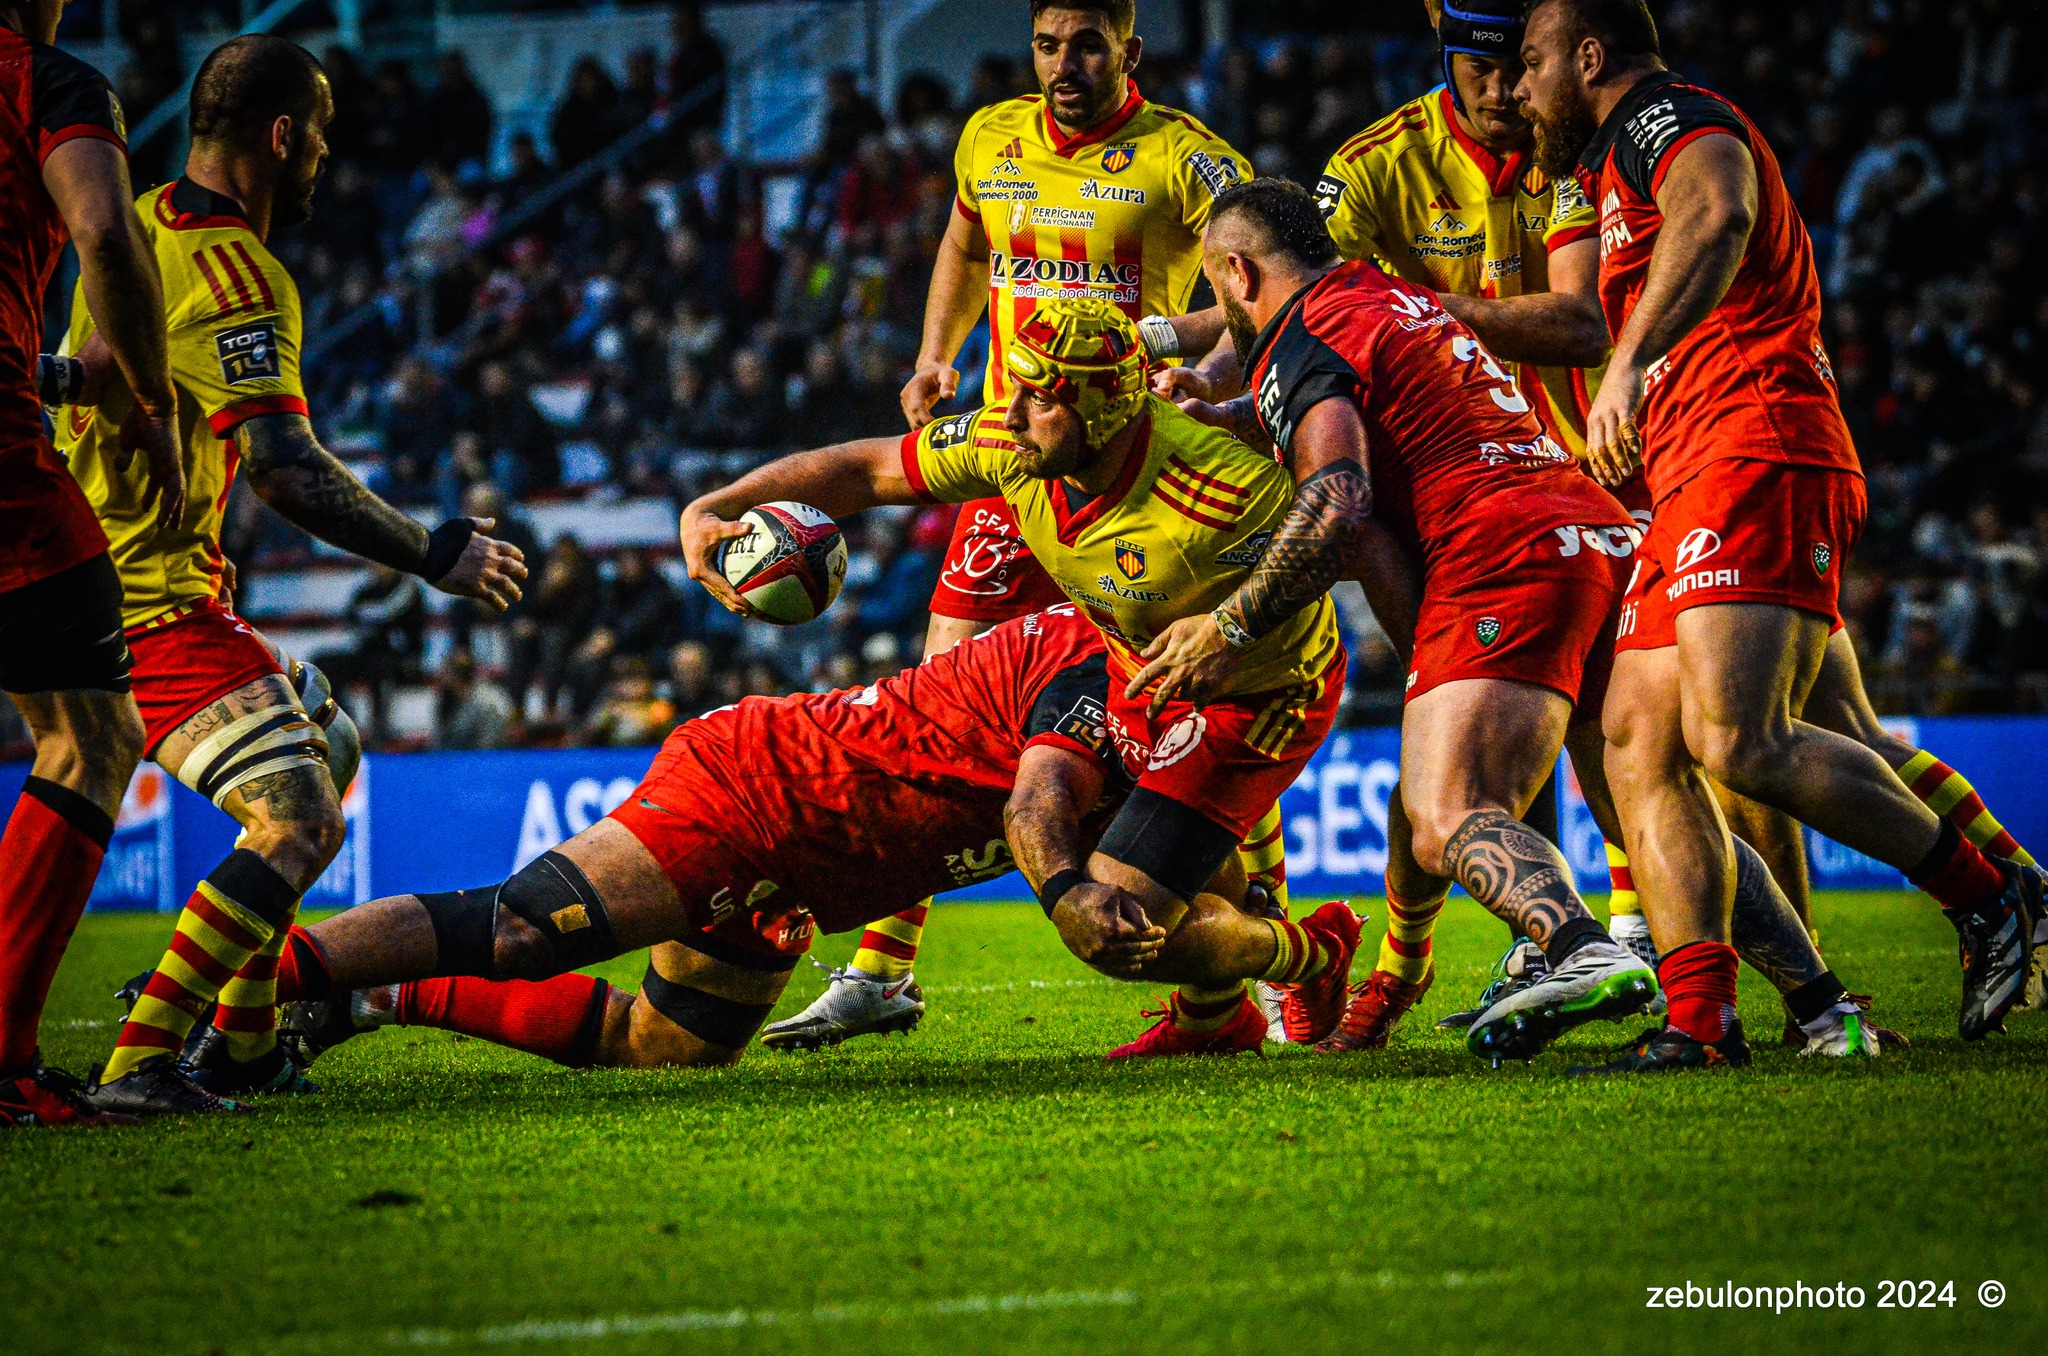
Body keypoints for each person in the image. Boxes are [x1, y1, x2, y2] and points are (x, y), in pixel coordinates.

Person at [1514, 0, 2039, 1070]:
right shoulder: (1610, 164)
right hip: (1691, 468)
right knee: (1632, 748)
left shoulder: (1663, 113)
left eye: (1528, 63)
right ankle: (1700, 1020)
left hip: (1754, 439)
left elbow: (1718, 214)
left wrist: (1622, 367)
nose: (1518, 89)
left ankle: (1995, 900)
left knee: (1737, 741)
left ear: (1586, 54)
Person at [684, 299, 1362, 1055]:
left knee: (1123, 923)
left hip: (1254, 697)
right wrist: (718, 506)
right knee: (1062, 813)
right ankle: (1217, 1021)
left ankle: (1312, 954)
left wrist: (1230, 628)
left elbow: (1337, 532)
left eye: (1039, 396)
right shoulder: (1011, 445)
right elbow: (868, 469)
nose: (1008, 414)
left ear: (1103, 409)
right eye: (1015, 388)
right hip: (1128, 664)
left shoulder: (1218, 487)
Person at [50, 36, 525, 1115]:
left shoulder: (138, 227)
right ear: (280, 134)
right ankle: (139, 1062)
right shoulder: (235, 270)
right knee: (301, 821)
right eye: (317, 134)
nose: (321, 156)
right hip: (144, 600)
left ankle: (248, 1044)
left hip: (120, 576)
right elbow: (284, 470)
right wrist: (432, 550)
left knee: (334, 742)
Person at [777, 0, 1262, 1046]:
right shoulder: (987, 137)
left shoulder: (1184, 158)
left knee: (1191, 718)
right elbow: (961, 243)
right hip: (1013, 468)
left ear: (1128, 50)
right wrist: (933, 354)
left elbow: (1267, 284)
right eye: (1047, 45)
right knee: (926, 705)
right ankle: (880, 969)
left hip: (1137, 478)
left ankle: (1247, 971)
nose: (1063, 65)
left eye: (1086, 44)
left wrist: (1173, 336)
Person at [266, 609, 1351, 1070]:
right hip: (761, 791)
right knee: (517, 926)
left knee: (666, 1046)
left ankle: (372, 997)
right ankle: (240, 983)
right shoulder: (1092, 664)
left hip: (815, 868)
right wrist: (1068, 894)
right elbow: (1034, 809)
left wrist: (1277, 944)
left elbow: (1212, 875)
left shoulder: (1188, 709)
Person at [1148, 178, 1657, 1064]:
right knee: (1646, 800)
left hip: (1499, 553)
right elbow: (1344, 414)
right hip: (1591, 526)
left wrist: (1227, 628)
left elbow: (1337, 500)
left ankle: (1578, 949)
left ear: (1235, 271)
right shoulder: (1386, 296)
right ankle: (1808, 1000)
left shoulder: (1299, 336)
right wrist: (1225, 414)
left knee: (1445, 807)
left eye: (1213, 287)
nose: (1217, 308)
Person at [0, 0, 183, 1129]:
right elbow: (107, 235)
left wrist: (68, 378)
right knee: (91, 735)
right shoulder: (50, 82)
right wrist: (150, 395)